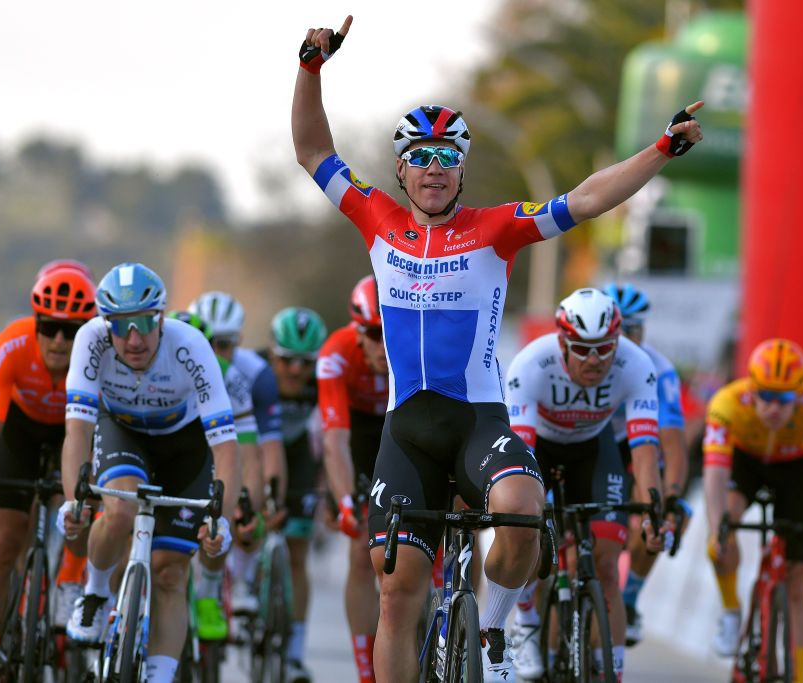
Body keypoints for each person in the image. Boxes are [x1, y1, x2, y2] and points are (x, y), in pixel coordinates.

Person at [291, 14, 700, 682]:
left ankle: (495, 624)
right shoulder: (377, 219)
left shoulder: (495, 229)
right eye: (419, 156)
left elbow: (588, 199)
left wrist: (660, 148)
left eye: (447, 156)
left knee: (521, 510)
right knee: (397, 592)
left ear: (461, 169)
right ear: (399, 168)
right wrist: (309, 68)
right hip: (409, 427)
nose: (433, 167)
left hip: (477, 420)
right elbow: (312, 151)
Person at [58, 263, 239, 683]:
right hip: (123, 432)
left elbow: (226, 447)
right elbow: (77, 430)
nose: (134, 338)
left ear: (160, 316)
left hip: (185, 444)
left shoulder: (190, 345)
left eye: (143, 322)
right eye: (121, 326)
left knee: (171, 570)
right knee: (118, 513)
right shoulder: (90, 341)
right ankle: (96, 591)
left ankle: (158, 676)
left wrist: (220, 520)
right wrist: (73, 501)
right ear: (107, 325)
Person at [505, 288, 666, 681]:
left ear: (618, 340)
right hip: (537, 448)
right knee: (522, 531)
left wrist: (652, 514)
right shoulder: (531, 364)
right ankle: (525, 616)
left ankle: (612, 671)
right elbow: (519, 452)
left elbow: (645, 451)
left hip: (593, 450)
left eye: (603, 348)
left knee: (607, 565)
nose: (593, 360)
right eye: (580, 349)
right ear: (562, 342)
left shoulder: (636, 364)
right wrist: (530, 507)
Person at [0, 266, 97, 683]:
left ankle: (71, 579)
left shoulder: (98, 354)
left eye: (71, 331)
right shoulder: (12, 344)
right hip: (18, 432)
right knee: (1, 541)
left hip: (74, 432)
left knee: (85, 511)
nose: (59, 340)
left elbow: (100, 437)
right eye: (50, 327)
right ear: (36, 323)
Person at [704, 338, 803, 683]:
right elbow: (715, 473)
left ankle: (798, 677)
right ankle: (731, 610)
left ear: (800, 394)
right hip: (745, 462)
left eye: (785, 398)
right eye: (766, 396)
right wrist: (717, 530)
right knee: (724, 526)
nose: (774, 407)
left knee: (798, 583)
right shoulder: (727, 403)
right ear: (751, 390)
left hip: (795, 467)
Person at [166, 309, 262, 641]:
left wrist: (246, 500)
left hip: (213, 453)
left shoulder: (228, 376)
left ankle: (208, 592)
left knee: (218, 518)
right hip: (169, 452)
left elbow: (247, 450)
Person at [602, 283, 688, 647]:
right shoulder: (590, 354)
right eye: (620, 329)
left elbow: (672, 444)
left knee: (657, 512)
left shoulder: (660, 369)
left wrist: (669, 499)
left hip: (636, 443)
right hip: (590, 437)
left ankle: (631, 597)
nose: (627, 338)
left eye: (634, 330)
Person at [189, 291, 286, 616]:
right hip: (192, 449)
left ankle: (242, 579)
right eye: (209, 342)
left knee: (249, 509)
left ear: (240, 341)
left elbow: (263, 450)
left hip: (235, 448)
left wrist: (256, 505)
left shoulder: (253, 376)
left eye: (226, 344)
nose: (217, 353)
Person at [317, 276, 388, 683]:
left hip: (404, 425)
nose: (382, 347)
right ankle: (366, 671)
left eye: (389, 332)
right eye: (372, 336)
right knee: (362, 553)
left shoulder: (418, 346)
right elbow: (335, 439)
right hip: (359, 433)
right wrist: (345, 501)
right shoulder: (336, 353)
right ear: (356, 330)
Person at [263, 306, 328, 683]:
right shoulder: (254, 371)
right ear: (272, 352)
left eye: (306, 363)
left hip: (299, 452)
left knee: (297, 552)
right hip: (256, 449)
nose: (295, 372)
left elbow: (336, 436)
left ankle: (294, 653)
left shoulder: (322, 380)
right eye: (286, 360)